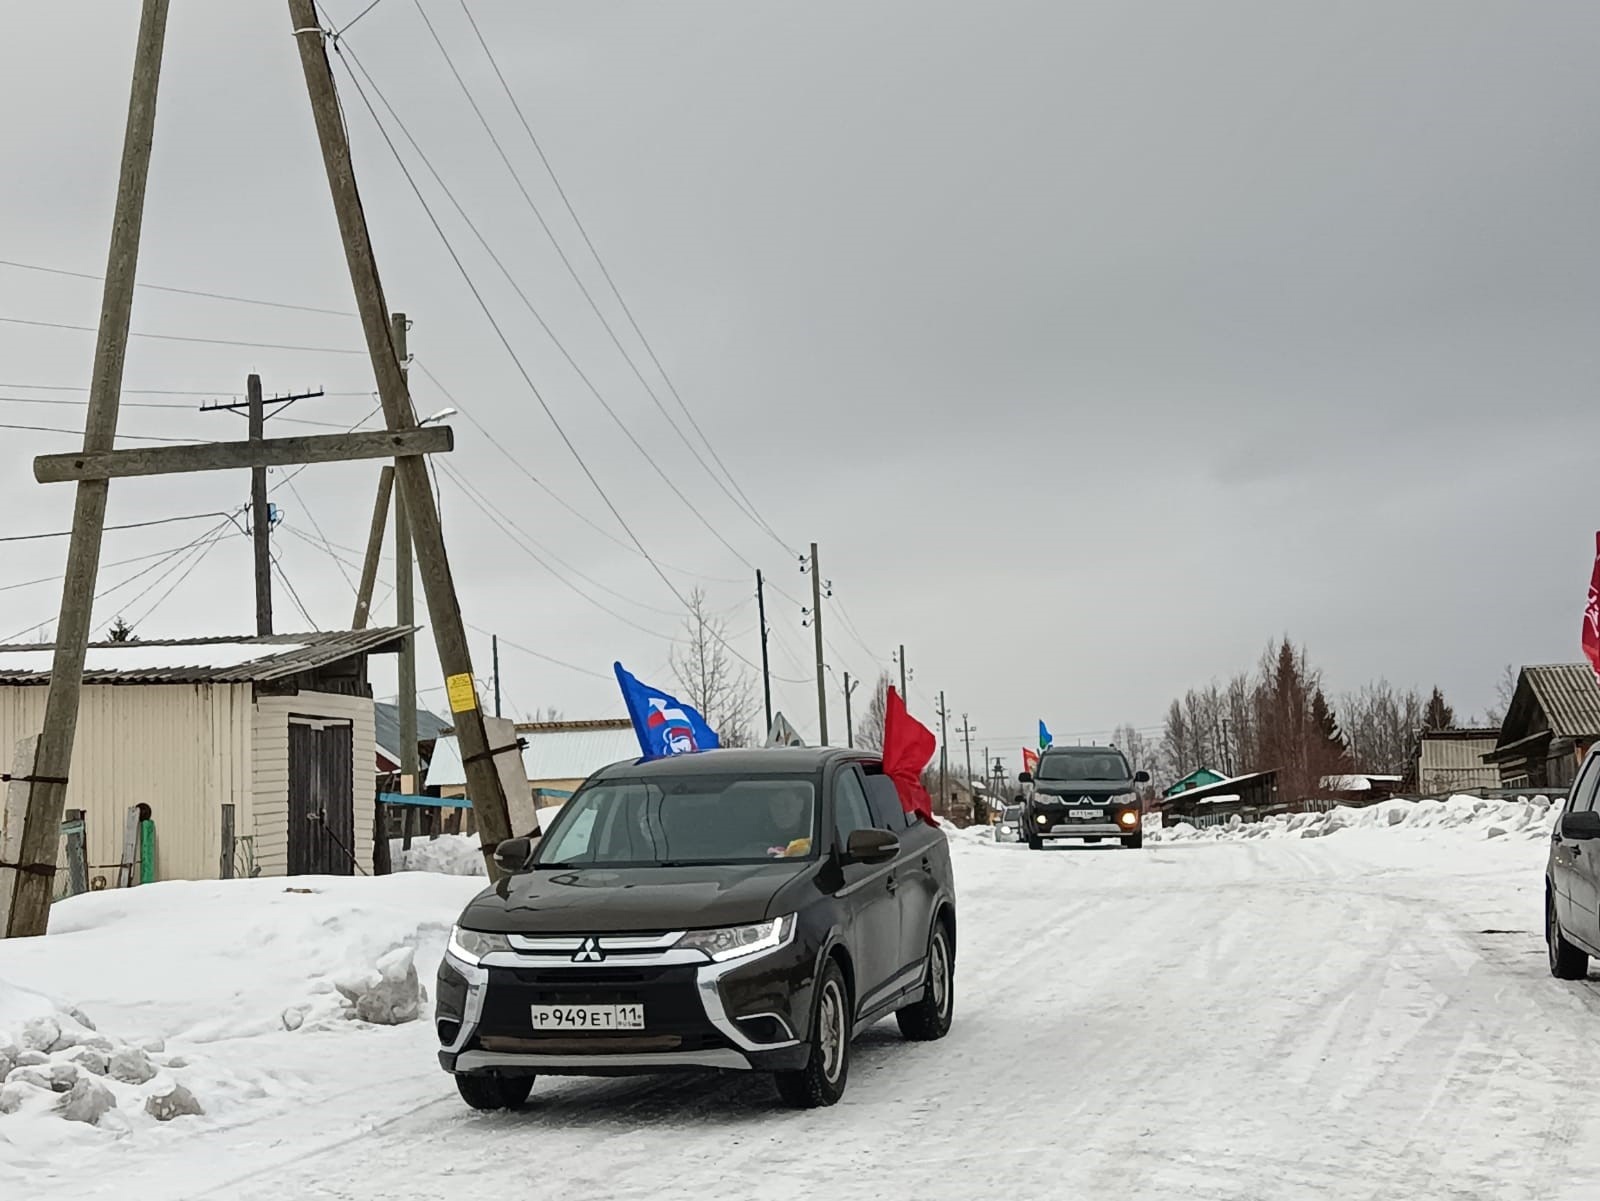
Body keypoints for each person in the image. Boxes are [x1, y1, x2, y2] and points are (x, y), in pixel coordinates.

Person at [763, 784, 813, 858]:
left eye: (787, 804)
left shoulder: (815, 832)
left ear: (800, 804)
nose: (781, 811)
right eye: (775, 804)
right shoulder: (759, 835)